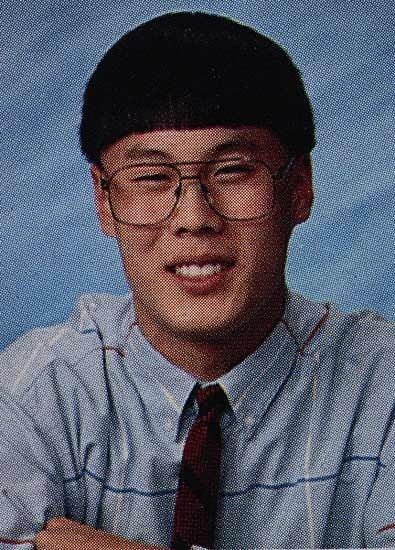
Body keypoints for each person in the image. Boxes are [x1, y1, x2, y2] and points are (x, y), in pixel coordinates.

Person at [0, 11, 394, 550]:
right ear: (104, 201)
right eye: (151, 178)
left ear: (299, 186)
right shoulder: (35, 390)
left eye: (233, 171)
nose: (194, 218)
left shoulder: (382, 385)